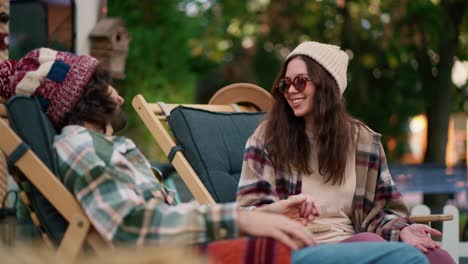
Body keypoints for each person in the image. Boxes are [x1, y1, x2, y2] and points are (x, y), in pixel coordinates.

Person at [0, 48, 428, 264]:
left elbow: (154, 214)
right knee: (402, 258)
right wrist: (241, 218)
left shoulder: (108, 145)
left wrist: (266, 213)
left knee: (418, 254)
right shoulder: (78, 144)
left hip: (219, 243)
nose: (115, 87)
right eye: (103, 80)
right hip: (206, 253)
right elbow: (128, 226)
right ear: (86, 93)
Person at [236, 41, 454, 264]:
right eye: (286, 84)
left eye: (300, 82)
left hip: (354, 244)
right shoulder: (268, 138)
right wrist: (285, 211)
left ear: (327, 85)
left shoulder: (363, 141)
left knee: (439, 258)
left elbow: (380, 213)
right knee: (374, 245)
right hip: (300, 248)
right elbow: (251, 211)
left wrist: (402, 230)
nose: (291, 90)